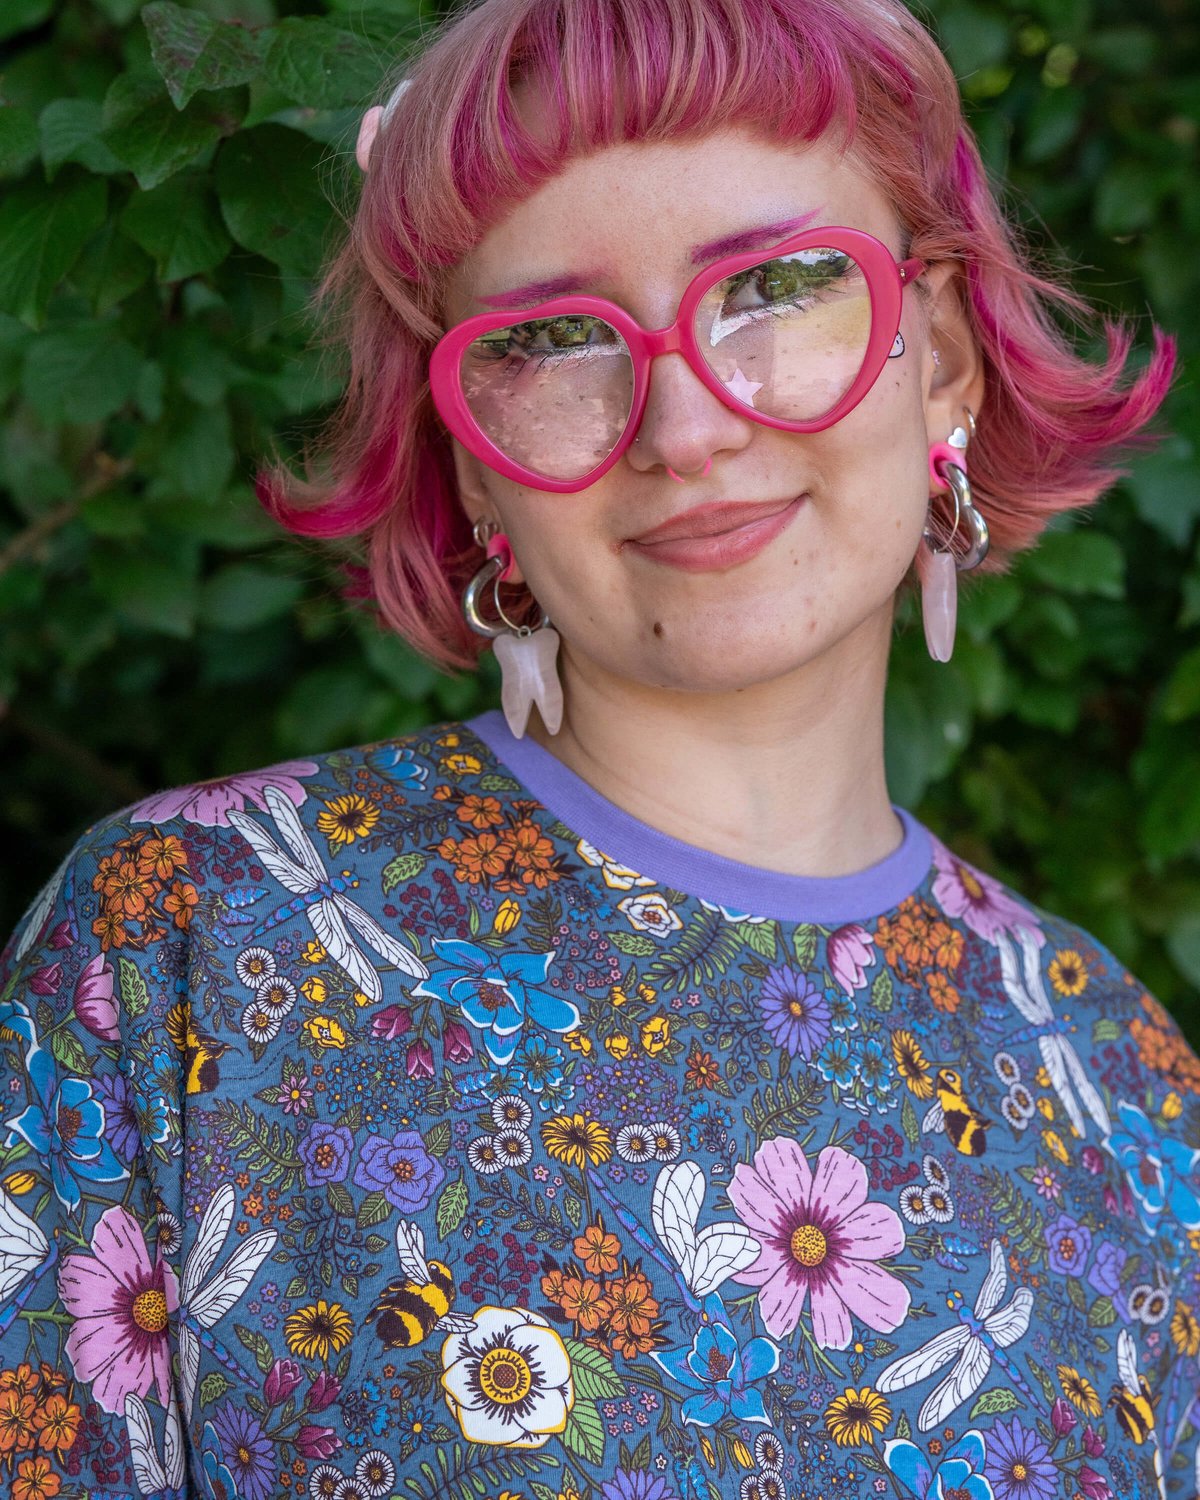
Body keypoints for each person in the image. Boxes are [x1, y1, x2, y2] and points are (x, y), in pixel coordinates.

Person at [0, 1, 1195, 1497]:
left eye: (773, 286)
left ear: (938, 354)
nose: (683, 424)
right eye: (555, 339)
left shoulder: (1121, 1081)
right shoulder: (195, 936)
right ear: (471, 465)